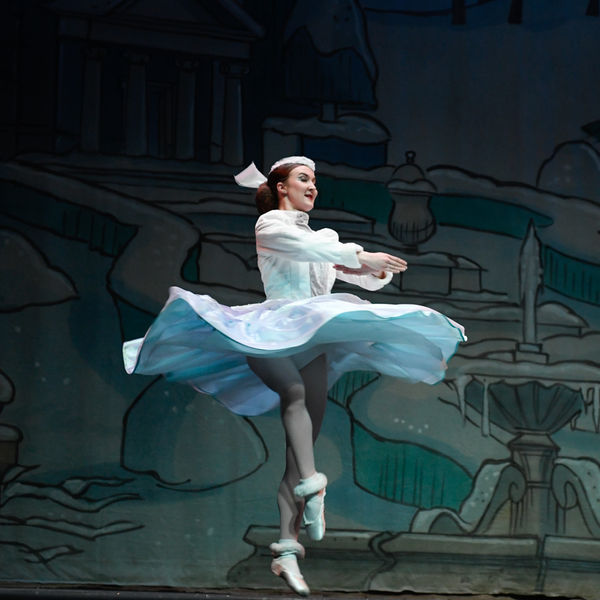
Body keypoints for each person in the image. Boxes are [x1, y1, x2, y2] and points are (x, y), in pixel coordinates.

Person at [123, 156, 466, 596]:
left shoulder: (320, 236)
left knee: (298, 447)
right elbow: (313, 252)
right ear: (282, 187)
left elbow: (341, 267)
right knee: (293, 391)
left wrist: (374, 268)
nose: (314, 187)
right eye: (305, 179)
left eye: (316, 181)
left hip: (313, 338)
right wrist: (360, 254)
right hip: (270, 333)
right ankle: (314, 485)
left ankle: (286, 550)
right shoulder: (270, 226)